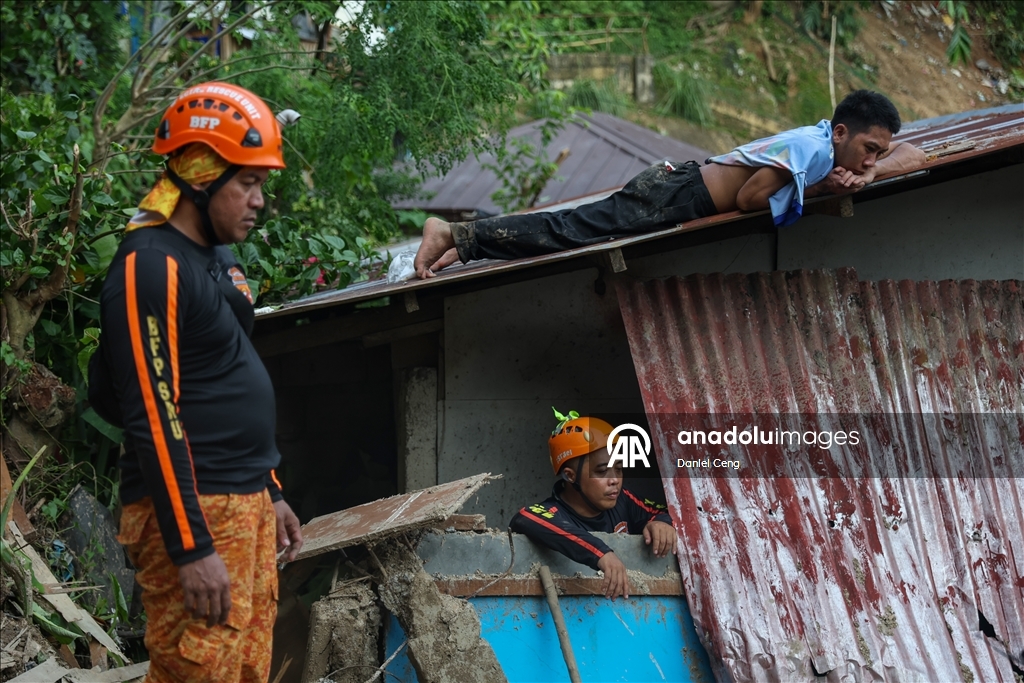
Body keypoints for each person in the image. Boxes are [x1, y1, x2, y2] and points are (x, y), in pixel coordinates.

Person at [94, 82, 303, 683]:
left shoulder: (214, 256)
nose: (259, 200)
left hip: (244, 503)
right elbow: (153, 413)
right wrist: (190, 547)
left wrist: (272, 489)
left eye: (261, 183)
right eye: (247, 183)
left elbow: (223, 372)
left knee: (242, 671)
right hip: (197, 511)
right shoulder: (149, 265)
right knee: (197, 672)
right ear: (200, 176)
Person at [413, 90, 926, 278]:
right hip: (679, 193)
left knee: (572, 228)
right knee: (571, 230)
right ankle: (456, 235)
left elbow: (917, 152)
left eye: (878, 152)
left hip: (679, 187)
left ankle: (462, 244)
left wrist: (872, 171)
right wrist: (822, 192)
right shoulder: (814, 152)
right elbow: (750, 198)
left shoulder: (826, 146)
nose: (871, 158)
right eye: (868, 149)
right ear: (841, 132)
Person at [510, 410, 676, 601]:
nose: (614, 480)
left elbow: (660, 510)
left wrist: (661, 522)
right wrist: (601, 553)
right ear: (570, 476)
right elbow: (525, 516)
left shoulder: (623, 499)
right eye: (602, 471)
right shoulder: (552, 512)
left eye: (619, 469)